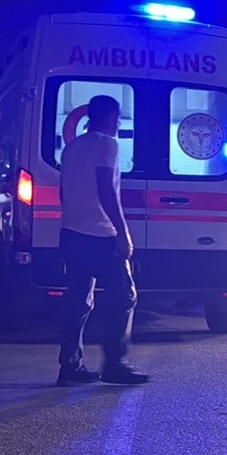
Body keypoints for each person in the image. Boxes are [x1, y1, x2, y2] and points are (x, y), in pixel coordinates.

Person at [56, 95, 148, 386]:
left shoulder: (71, 149)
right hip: (99, 234)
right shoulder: (106, 144)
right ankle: (115, 364)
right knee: (124, 295)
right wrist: (122, 232)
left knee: (78, 300)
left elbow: (64, 192)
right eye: (118, 118)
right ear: (109, 117)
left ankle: (69, 366)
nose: (119, 123)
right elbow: (106, 190)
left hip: (71, 233)